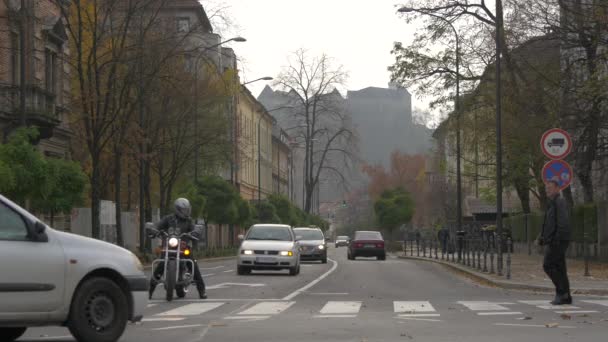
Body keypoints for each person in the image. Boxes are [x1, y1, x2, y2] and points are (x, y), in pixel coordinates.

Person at [149, 198, 207, 300]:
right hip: (169, 246)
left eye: (187, 209)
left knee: (192, 264)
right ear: (178, 209)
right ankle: (149, 291)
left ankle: (201, 290)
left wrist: (195, 232)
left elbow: (194, 228)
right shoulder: (168, 219)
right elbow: (158, 226)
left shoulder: (188, 221)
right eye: (185, 210)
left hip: (183, 247)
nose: (187, 212)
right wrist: (153, 230)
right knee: (161, 264)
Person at [538, 179, 571, 305]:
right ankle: (566, 296)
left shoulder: (559, 202)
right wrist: (542, 237)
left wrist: (556, 239)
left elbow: (562, 223)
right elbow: (548, 223)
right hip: (554, 240)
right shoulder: (552, 203)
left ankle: (561, 293)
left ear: (557, 188)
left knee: (548, 265)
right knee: (560, 268)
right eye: (546, 188)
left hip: (558, 241)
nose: (547, 190)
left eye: (550, 188)